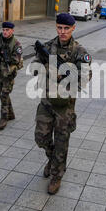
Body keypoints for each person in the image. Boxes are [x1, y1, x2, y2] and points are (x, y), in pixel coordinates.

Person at [34, 13, 92, 195]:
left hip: (64, 106)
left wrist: (65, 76)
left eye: (66, 28)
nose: (63, 31)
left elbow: (85, 78)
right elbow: (35, 67)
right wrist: (48, 70)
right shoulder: (48, 47)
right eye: (59, 27)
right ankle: (52, 160)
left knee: (61, 142)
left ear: (73, 28)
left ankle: (57, 175)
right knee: (41, 137)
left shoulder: (79, 52)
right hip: (47, 101)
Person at [0, 22, 24, 130]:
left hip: (9, 73)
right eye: (3, 29)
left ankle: (4, 118)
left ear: (12, 31)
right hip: (0, 72)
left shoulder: (16, 44)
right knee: (0, 92)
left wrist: (3, 55)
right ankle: (11, 113)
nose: (5, 32)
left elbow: (15, 59)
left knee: (4, 94)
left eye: (7, 30)